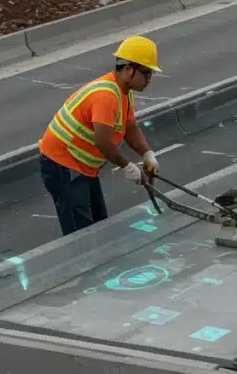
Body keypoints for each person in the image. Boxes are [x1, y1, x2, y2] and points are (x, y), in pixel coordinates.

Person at [37, 35, 162, 236]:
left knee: (99, 224)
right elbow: (103, 141)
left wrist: (147, 154)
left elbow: (130, 127)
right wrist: (128, 167)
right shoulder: (106, 95)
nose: (149, 79)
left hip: (81, 167)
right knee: (82, 233)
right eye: (146, 73)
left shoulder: (124, 91)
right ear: (129, 70)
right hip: (63, 167)